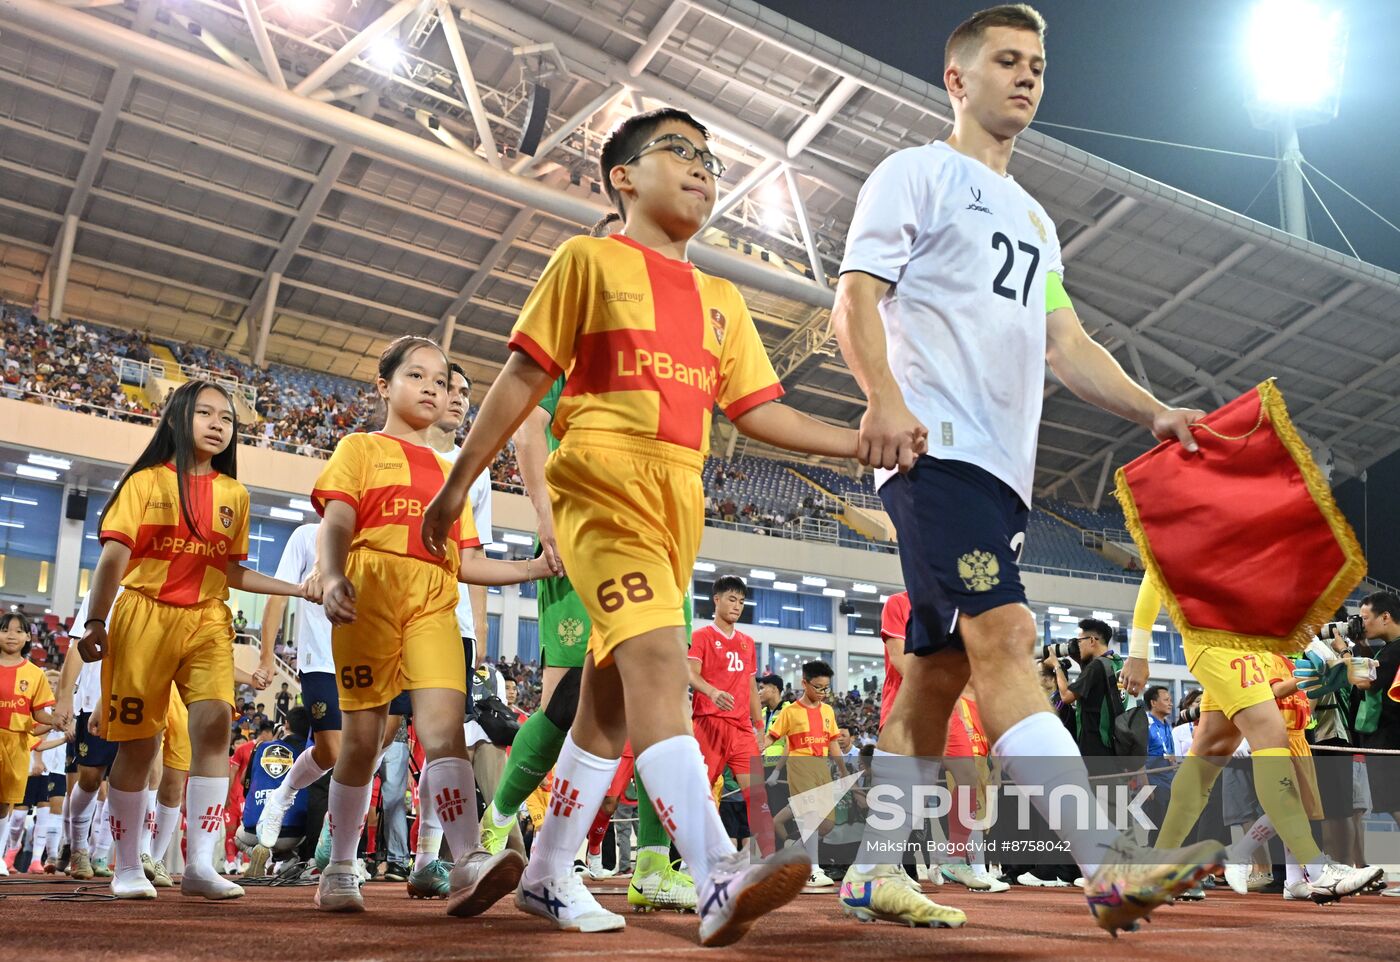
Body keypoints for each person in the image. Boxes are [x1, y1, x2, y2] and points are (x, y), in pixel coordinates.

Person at [423, 106, 859, 946]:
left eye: (711, 160)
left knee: (610, 705)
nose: (703, 169)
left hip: (681, 495)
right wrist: (454, 489)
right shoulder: (586, 259)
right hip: (602, 480)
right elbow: (522, 380)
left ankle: (548, 872)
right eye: (680, 152)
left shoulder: (723, 298)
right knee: (659, 663)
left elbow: (760, 410)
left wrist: (860, 440)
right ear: (622, 176)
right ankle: (715, 871)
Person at [831, 4, 1224, 933]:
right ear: (956, 77)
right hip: (938, 454)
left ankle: (870, 869)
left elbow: (1068, 343)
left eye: (1038, 66)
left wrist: (1156, 410)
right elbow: (855, 296)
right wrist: (884, 397)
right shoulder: (915, 173)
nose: (1027, 77)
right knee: (1007, 639)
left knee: (934, 677)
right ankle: (1105, 866)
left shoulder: (1038, 221)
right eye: (1007, 60)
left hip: (1002, 473)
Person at [310, 335, 553, 915]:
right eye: (416, 377)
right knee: (363, 741)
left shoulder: (453, 474)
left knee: (444, 732)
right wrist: (333, 573)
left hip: (435, 602)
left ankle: (468, 859)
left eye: (440, 381)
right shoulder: (358, 449)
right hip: (370, 593)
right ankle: (340, 868)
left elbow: (466, 559)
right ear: (383, 385)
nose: (431, 389)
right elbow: (338, 520)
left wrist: (535, 565)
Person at [75, 379, 311, 900]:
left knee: (213, 726)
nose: (217, 425)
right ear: (179, 419)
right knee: (138, 745)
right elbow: (113, 558)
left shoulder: (236, 495)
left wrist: (298, 589)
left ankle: (201, 865)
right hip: (142, 617)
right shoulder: (143, 483)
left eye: (225, 419)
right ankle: (126, 865)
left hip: (207, 618)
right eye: (205, 413)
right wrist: (95, 621)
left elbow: (231, 572)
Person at [477, 374, 696, 914]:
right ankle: (501, 821)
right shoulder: (578, 352)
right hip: (583, 533)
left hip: (656, 546)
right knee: (571, 702)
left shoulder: (663, 367)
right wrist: (546, 512)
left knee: (664, 702)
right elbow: (528, 424)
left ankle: (651, 865)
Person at [1137, 575, 1379, 902]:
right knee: (1270, 733)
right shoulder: (1206, 532)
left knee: (1208, 754)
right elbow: (1156, 572)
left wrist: (1329, 660)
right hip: (1215, 639)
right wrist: (1138, 651)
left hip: (1239, 643)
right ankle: (1317, 869)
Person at [253, 522, 415, 887]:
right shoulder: (305, 536)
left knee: (378, 744)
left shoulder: (382, 535)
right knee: (332, 750)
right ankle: (283, 796)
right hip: (323, 659)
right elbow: (278, 596)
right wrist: (266, 657)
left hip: (380, 655)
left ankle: (343, 842)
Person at [686, 575, 775, 856]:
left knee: (757, 795)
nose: (737, 605)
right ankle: (693, 857)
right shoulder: (701, 636)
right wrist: (712, 692)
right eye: (731, 599)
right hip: (708, 725)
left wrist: (758, 726)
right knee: (701, 794)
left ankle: (768, 857)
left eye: (741, 601)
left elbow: (750, 688)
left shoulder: (748, 643)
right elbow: (689, 673)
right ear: (717, 600)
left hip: (740, 730)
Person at [764, 660, 849, 889]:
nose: (822, 692)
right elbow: (772, 738)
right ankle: (812, 869)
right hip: (799, 762)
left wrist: (843, 771)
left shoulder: (828, 711)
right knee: (810, 814)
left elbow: (833, 745)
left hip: (822, 765)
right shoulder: (790, 711)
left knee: (827, 824)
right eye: (818, 687)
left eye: (826, 688)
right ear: (804, 683)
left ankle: (791, 856)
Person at [1, 612, 55, 878]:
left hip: (17, 743)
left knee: (5, 803)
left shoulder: (35, 674)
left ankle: (0, 856)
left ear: (27, 638)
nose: (11, 635)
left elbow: (40, 714)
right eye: (5, 630)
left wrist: (56, 719)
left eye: (19, 631)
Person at [239, 706, 312, 877]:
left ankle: (264, 854)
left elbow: (245, 783)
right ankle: (290, 859)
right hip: (293, 834)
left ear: (286, 724)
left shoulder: (260, 747)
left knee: (238, 836)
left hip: (254, 830)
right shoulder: (311, 751)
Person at [1044, 619, 1124, 757]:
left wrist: (1056, 665)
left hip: (1094, 745)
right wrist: (1080, 661)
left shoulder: (1096, 666)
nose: (1077, 645)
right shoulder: (1115, 661)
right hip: (1111, 743)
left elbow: (1066, 696)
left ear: (1092, 640)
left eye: (1079, 641)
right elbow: (1093, 686)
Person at [1142, 685, 1175, 845]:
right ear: (1153, 703)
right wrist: (1145, 784)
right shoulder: (1145, 724)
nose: (1171, 703)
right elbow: (1138, 757)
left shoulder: (1167, 724)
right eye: (1166, 700)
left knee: (1169, 827)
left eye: (1171, 700)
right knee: (1158, 827)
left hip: (1170, 781)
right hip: (1154, 781)